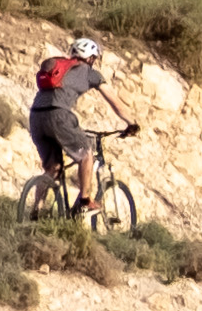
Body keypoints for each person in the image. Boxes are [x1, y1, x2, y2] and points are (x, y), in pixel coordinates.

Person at [27, 35, 135, 215]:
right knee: (86, 153)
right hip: (59, 115)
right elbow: (115, 103)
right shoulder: (89, 72)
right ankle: (85, 200)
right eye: (95, 58)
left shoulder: (60, 68)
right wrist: (132, 123)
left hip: (36, 117)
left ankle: (36, 209)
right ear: (91, 58)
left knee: (53, 168)